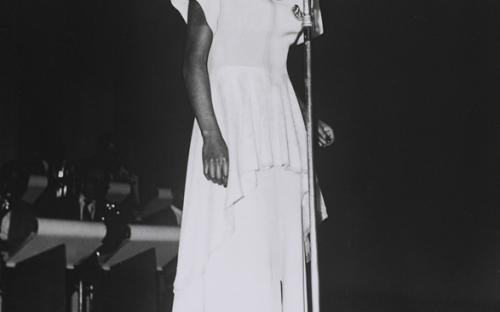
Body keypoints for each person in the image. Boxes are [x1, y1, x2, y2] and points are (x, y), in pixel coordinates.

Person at [170, 0, 334, 311]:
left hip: (281, 130)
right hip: (230, 122)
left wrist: (306, 116)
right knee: (239, 245)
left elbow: (272, 69)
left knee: (278, 252)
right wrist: (211, 135)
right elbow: (193, 62)